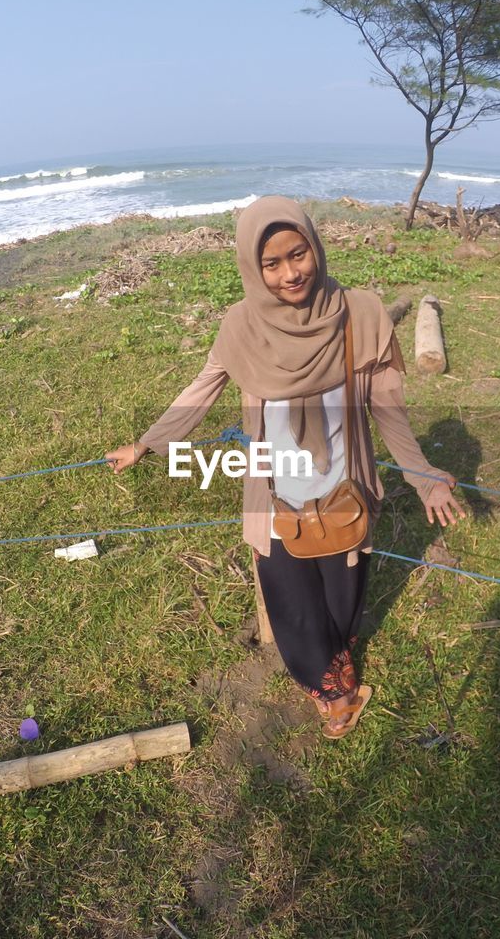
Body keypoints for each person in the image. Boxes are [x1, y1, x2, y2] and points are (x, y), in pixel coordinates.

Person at [106, 196, 465, 738]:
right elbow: (202, 388)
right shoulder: (242, 327)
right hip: (274, 501)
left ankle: (340, 663)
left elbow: (389, 411)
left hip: (344, 493)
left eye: (298, 255)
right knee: (294, 610)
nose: (290, 273)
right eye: (271, 264)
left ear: (314, 246)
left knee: (342, 605)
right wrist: (147, 444)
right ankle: (334, 693)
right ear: (253, 268)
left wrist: (421, 476)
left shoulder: (360, 315)